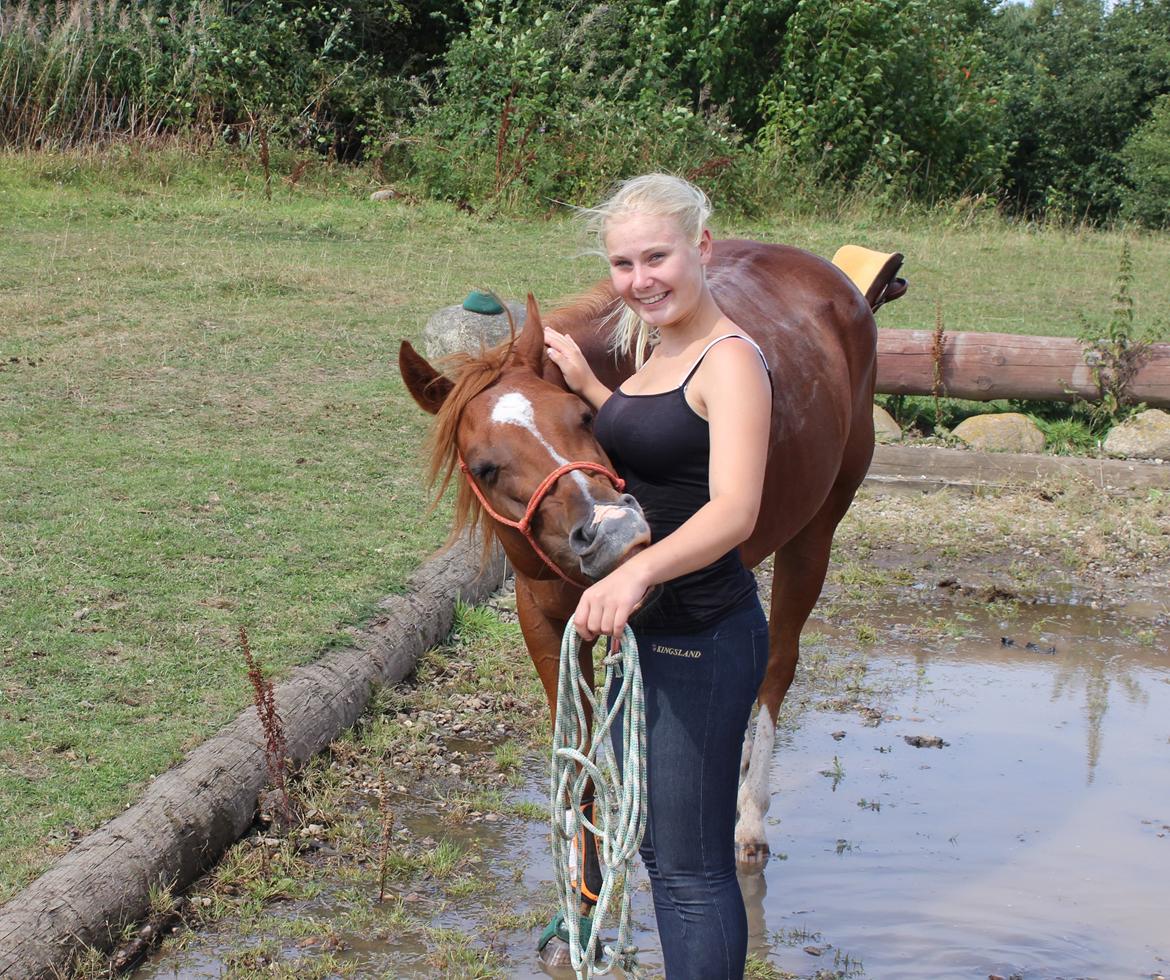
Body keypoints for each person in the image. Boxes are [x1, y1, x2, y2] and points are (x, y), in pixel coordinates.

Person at [543, 173, 772, 980]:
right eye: (622, 264)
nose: (641, 280)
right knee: (659, 848)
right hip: (651, 644)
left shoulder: (731, 360)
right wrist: (590, 387)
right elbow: (661, 439)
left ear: (702, 248)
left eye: (657, 257)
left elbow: (734, 510)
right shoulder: (664, 355)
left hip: (703, 638)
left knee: (690, 869)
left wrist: (635, 580)